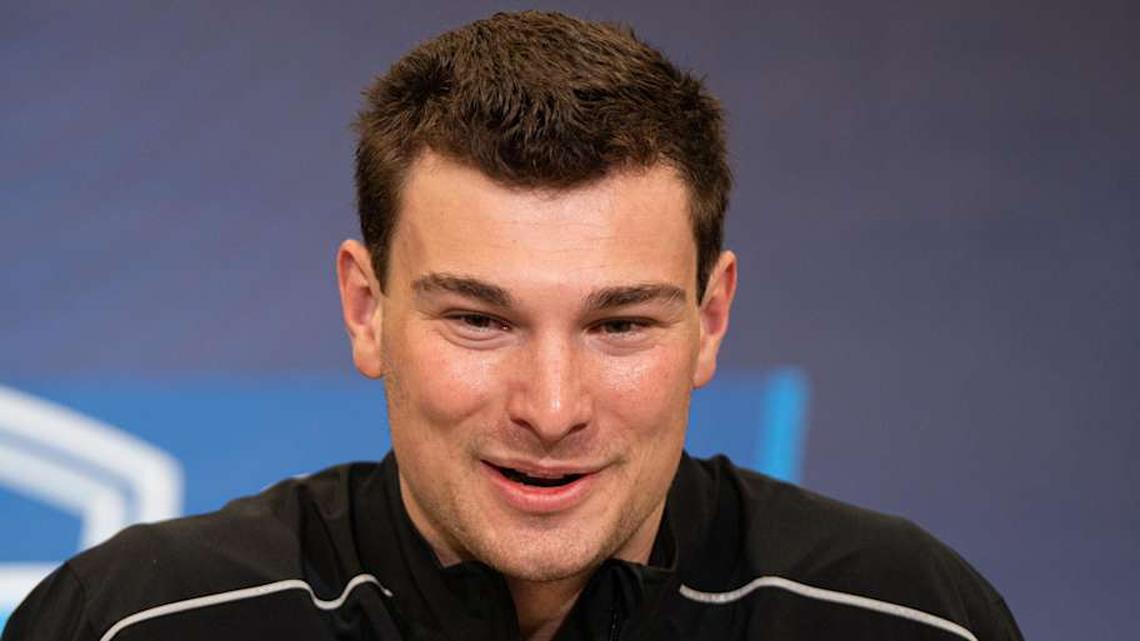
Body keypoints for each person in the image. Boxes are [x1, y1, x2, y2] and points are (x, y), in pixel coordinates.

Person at [3, 11, 1022, 641]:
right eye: (480, 319)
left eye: (620, 323)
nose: (550, 406)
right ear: (368, 308)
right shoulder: (137, 622)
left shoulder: (907, 618)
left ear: (711, 319)